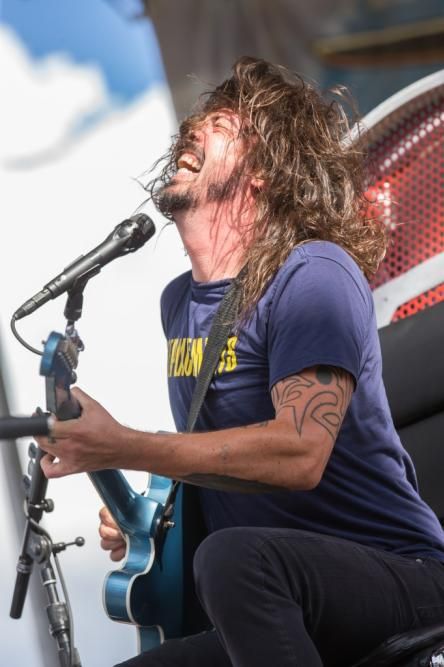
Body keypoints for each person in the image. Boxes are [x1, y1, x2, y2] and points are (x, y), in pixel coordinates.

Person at [38, 57, 444, 667]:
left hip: (399, 580)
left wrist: (124, 445)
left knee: (234, 559)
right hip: (278, 600)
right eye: (195, 123)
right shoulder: (179, 304)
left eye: (222, 125)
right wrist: (157, 522)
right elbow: (229, 466)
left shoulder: (312, 274)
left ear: (263, 170)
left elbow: (299, 453)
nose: (192, 131)